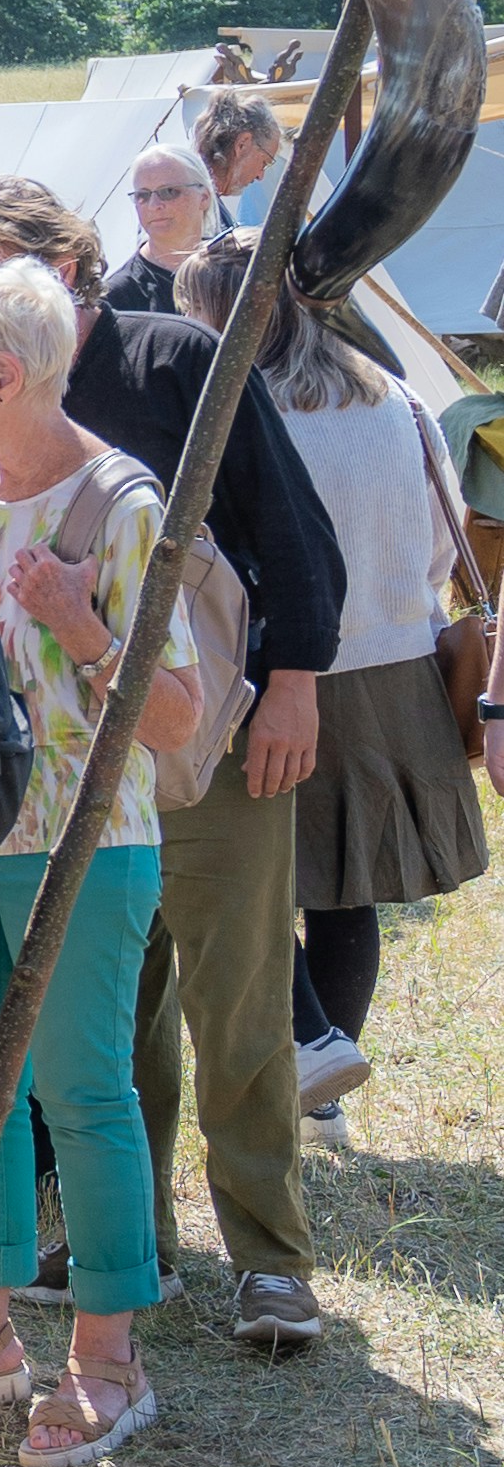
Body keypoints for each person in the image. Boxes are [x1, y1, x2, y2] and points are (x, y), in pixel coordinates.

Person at [0, 178, 342, 1323]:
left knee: (237, 998)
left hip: (206, 734)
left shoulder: (172, 358)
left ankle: (268, 1257)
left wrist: (293, 681)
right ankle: (127, 1247)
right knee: (115, 1021)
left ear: (59, 266)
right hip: (49, 788)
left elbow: (286, 519)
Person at [0, 260, 198, 1467]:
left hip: (85, 844)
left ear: (3, 374)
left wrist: (77, 624)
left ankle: (107, 1361)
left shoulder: (123, 504)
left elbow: (171, 718)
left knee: (81, 1091)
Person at [177, 231, 487, 1256]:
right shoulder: (391, 395)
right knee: (343, 890)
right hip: (394, 669)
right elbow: (444, 544)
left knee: (255, 889)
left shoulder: (234, 411)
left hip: (279, 677)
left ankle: (304, 1056)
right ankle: (322, 1080)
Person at [108, 145, 216, 314]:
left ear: (204, 198)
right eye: (142, 195)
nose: (154, 205)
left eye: (169, 191)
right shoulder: (118, 298)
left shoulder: (236, 267)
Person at [200, 89, 287, 233]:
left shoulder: (205, 199)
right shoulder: (191, 200)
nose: (260, 176)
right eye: (264, 163)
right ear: (242, 144)